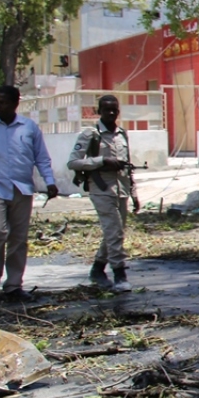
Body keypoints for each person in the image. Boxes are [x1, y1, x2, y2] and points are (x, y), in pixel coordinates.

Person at [0, 86, 59, 302]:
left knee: (18, 239)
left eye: (3, 102)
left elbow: (42, 158)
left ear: (15, 104)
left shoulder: (29, 128)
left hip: (22, 189)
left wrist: (50, 181)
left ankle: (13, 286)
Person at [68, 95, 139, 292]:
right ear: (99, 111)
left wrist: (134, 193)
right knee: (114, 231)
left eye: (114, 110)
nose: (110, 113)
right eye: (106, 110)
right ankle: (119, 274)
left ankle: (98, 268)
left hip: (122, 188)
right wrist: (101, 162)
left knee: (116, 232)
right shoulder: (90, 134)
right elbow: (73, 162)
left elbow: (128, 166)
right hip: (101, 188)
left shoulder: (122, 134)